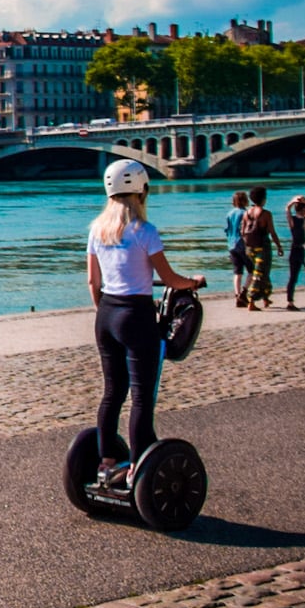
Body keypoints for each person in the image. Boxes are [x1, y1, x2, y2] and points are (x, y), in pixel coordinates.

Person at [86, 161, 204, 490]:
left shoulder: (97, 229)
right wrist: (192, 282)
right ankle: (139, 463)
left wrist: (106, 312)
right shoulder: (145, 231)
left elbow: (92, 282)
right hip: (136, 316)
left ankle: (106, 463)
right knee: (141, 397)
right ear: (141, 189)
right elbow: (168, 278)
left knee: (112, 392)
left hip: (106, 314)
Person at [240, 186, 283, 310]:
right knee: (259, 274)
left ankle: (265, 297)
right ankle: (251, 301)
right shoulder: (266, 214)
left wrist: (247, 245)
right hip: (262, 248)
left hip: (249, 248)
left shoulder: (246, 213)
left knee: (262, 272)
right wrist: (279, 246)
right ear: (263, 199)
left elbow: (243, 232)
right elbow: (272, 232)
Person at [224, 190, 251, 307]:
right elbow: (246, 230)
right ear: (245, 200)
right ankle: (244, 292)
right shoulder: (246, 213)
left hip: (231, 245)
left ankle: (237, 294)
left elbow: (227, 230)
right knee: (252, 270)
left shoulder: (229, 214)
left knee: (237, 271)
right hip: (242, 245)